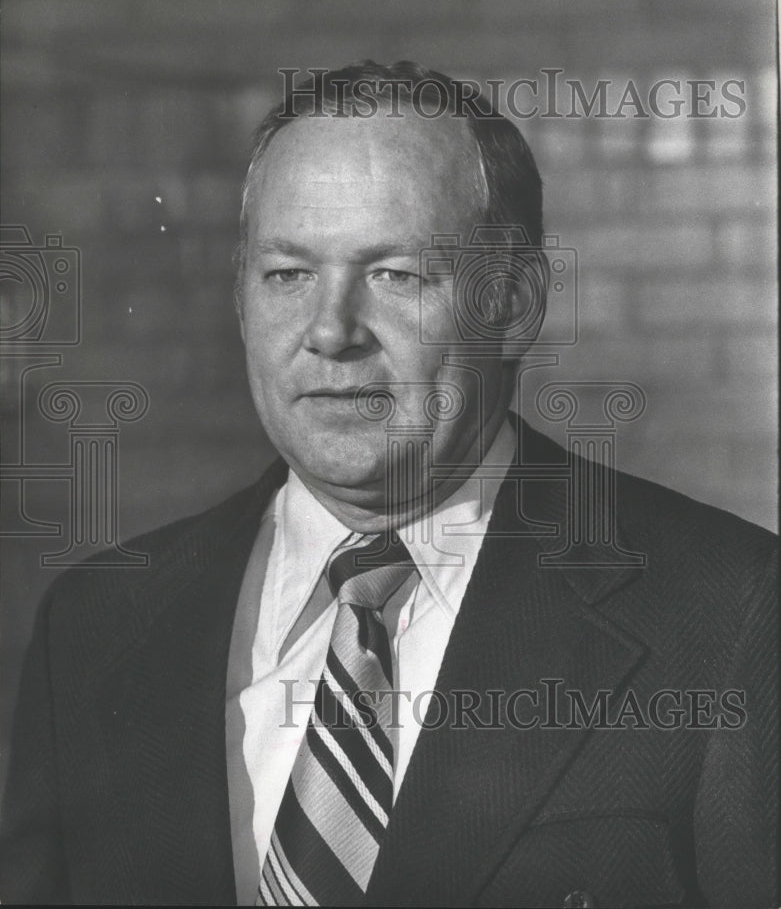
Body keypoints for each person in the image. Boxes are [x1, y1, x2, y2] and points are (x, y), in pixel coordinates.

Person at [0, 61, 776, 908]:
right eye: (287, 274)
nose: (330, 332)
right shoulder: (94, 627)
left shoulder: (727, 612)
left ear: (515, 303)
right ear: (240, 296)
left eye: (395, 274)